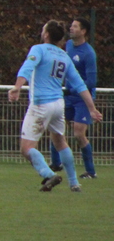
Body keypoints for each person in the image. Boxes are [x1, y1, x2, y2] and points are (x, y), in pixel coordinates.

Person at [8, 20, 102, 192]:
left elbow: (27, 67)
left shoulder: (38, 49)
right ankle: (74, 183)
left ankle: (49, 174)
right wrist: (92, 108)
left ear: (46, 35)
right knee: (60, 141)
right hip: (58, 105)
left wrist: (17, 87)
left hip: (41, 104)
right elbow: (80, 84)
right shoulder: (64, 56)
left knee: (26, 148)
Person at [49, 18, 98, 178]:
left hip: (82, 98)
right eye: (71, 26)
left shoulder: (88, 53)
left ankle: (90, 171)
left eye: (75, 26)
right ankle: (56, 163)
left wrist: (74, 88)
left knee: (78, 134)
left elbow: (91, 81)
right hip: (68, 96)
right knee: (56, 128)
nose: (71, 28)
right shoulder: (69, 45)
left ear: (83, 31)